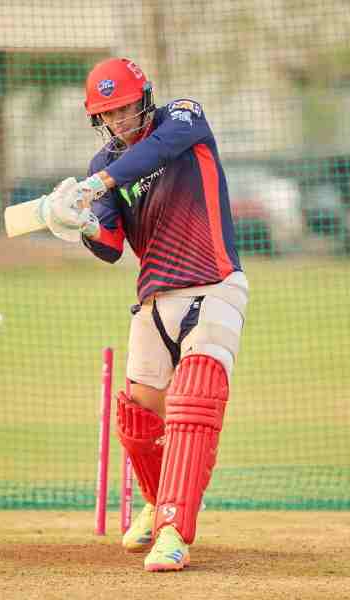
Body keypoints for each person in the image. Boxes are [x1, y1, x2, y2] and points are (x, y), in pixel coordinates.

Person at [41, 58, 249, 572]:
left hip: (214, 284)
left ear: (145, 99)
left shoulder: (183, 118)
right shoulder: (101, 166)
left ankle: (175, 529)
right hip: (155, 299)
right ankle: (157, 504)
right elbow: (111, 246)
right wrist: (79, 223)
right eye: (107, 114)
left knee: (196, 398)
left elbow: (154, 152)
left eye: (125, 107)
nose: (118, 121)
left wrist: (99, 185)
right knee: (138, 417)